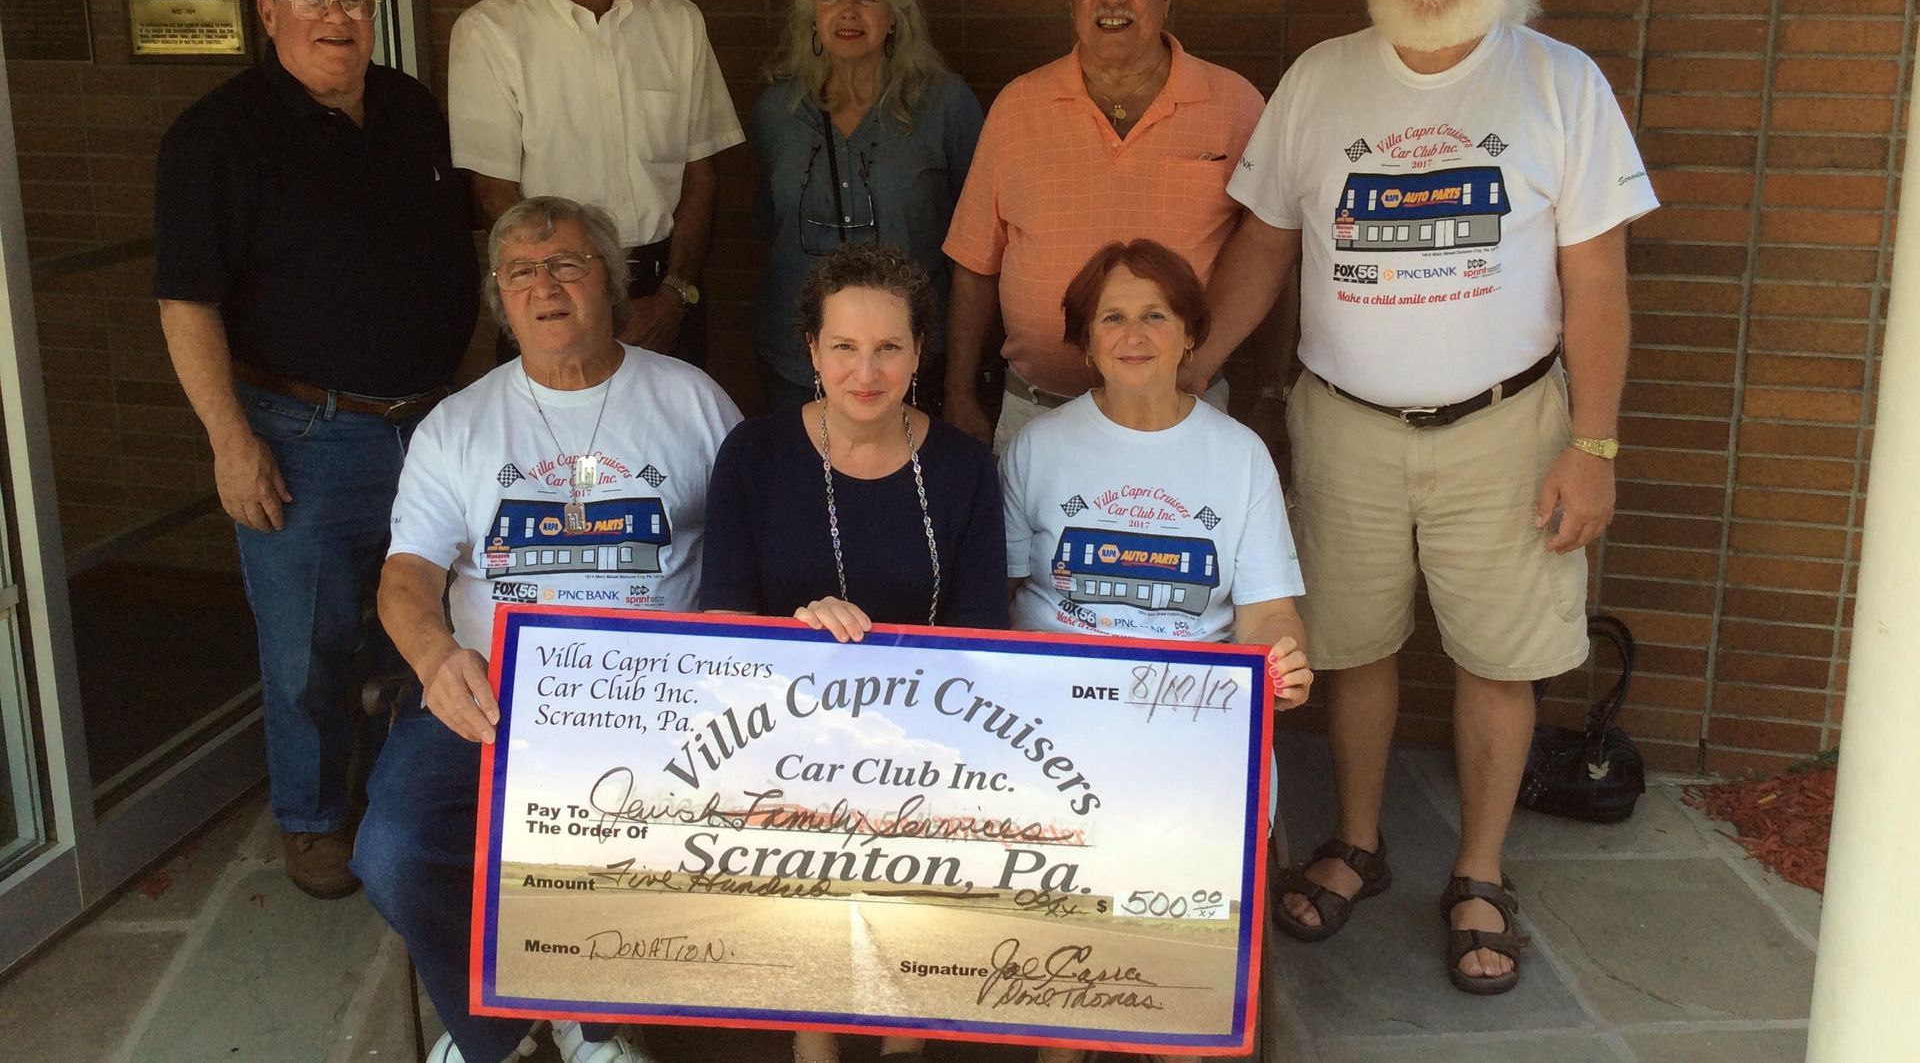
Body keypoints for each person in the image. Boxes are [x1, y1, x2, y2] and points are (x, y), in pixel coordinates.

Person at [1194, 0, 1660, 994]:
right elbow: (1264, 240)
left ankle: (1483, 870)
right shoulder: (1320, 79)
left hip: (1509, 427)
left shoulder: (1560, 83)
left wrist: (1592, 446)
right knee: (1352, 646)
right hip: (1344, 420)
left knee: (1501, 659)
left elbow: (1597, 280)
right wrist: (1197, 364)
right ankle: (1357, 843)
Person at [353, 197, 741, 1063]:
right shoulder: (458, 425)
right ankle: (503, 1029)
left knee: (630, 846)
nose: (545, 285)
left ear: (613, 281)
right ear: (501, 297)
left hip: (657, 708)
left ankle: (591, 1020)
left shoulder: (693, 403)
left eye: (567, 263)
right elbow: (406, 576)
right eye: (522, 271)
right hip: (490, 699)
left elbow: (755, 549)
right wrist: (434, 658)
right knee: (395, 850)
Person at [153, 0, 476, 899]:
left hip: (427, 426)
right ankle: (310, 815)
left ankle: (390, 797)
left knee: (415, 621)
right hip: (302, 432)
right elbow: (186, 303)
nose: (339, 20)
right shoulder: (216, 138)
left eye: (356, 3)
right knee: (308, 641)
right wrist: (229, 442)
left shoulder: (411, 109)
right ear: (268, 14)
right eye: (315, 0)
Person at [1000, 238, 1313, 1063]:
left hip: (1192, 734)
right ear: (1085, 338)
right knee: (1054, 965)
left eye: (1154, 315)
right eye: (1112, 317)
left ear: (1188, 333)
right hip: (1056, 731)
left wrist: (1285, 665)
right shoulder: (1037, 448)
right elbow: (993, 607)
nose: (1133, 334)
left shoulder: (1239, 455)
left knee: (1183, 979)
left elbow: (1270, 611)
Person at [704, 243, 1009, 1063]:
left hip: (932, 739)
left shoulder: (965, 467)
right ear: (810, 349)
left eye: (889, 349)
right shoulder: (755, 456)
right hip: (782, 730)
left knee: (909, 808)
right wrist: (798, 634)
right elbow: (721, 621)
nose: (865, 371)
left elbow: (984, 631)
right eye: (844, 346)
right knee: (816, 808)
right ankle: (816, 1038)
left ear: (919, 354)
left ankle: (902, 1038)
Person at [941, 0, 1273, 455]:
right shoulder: (1018, 106)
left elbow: (1272, 257)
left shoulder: (1235, 105)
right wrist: (958, 392)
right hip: (1036, 412)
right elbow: (974, 265)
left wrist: (1270, 389)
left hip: (1184, 413)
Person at [448, 0, 744, 364]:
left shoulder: (679, 23)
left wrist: (675, 297)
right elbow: (494, 193)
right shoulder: (487, 31)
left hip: (664, 293)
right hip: (550, 297)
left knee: (675, 448)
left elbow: (701, 175)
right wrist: (564, 292)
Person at [750, 0, 981, 414]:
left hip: (908, 365)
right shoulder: (777, 112)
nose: (848, 12)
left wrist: (962, 380)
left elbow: (975, 248)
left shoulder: (945, 105)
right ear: (812, 15)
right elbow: (767, 224)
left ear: (895, 16)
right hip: (798, 365)